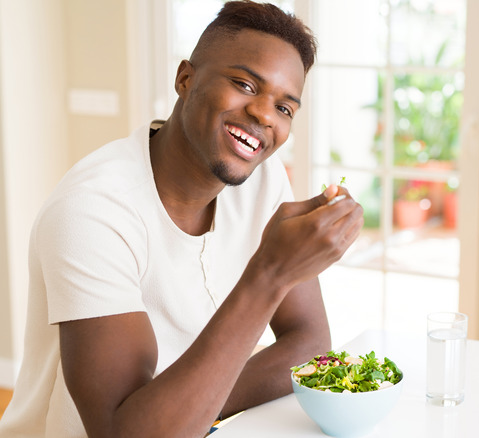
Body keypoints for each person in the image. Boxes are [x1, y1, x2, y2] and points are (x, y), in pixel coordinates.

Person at [0, 1, 363, 436]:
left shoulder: (262, 180)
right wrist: (270, 272)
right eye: (245, 84)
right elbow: (122, 432)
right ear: (185, 79)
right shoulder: (93, 211)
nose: (265, 115)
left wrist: (190, 407)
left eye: (285, 108)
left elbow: (309, 344)